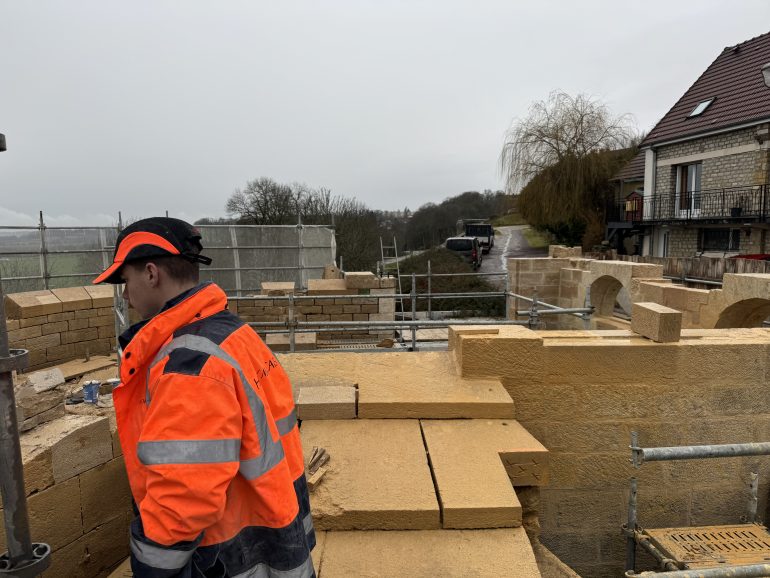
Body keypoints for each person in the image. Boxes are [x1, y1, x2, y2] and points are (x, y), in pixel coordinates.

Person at [93, 217, 315, 578]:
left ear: (151, 274)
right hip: (276, 534)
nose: (125, 295)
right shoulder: (234, 333)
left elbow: (183, 498)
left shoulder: (189, 364)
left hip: (228, 559)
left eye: (125, 280)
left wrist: (152, 566)